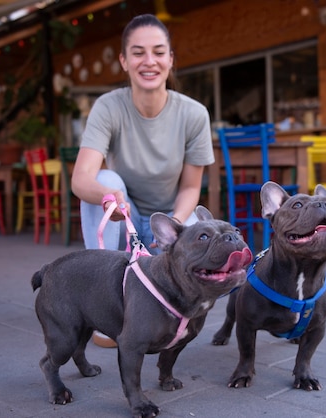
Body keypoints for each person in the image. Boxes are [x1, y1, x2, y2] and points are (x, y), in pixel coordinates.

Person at [71, 14, 215, 347]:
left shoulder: (194, 114)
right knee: (104, 180)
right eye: (138, 52)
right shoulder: (108, 107)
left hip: (168, 218)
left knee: (197, 223)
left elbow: (192, 187)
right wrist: (109, 197)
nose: (149, 61)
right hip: (127, 217)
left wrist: (175, 227)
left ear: (170, 59)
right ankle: (105, 311)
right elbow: (81, 179)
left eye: (158, 52)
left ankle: (180, 308)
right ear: (123, 60)